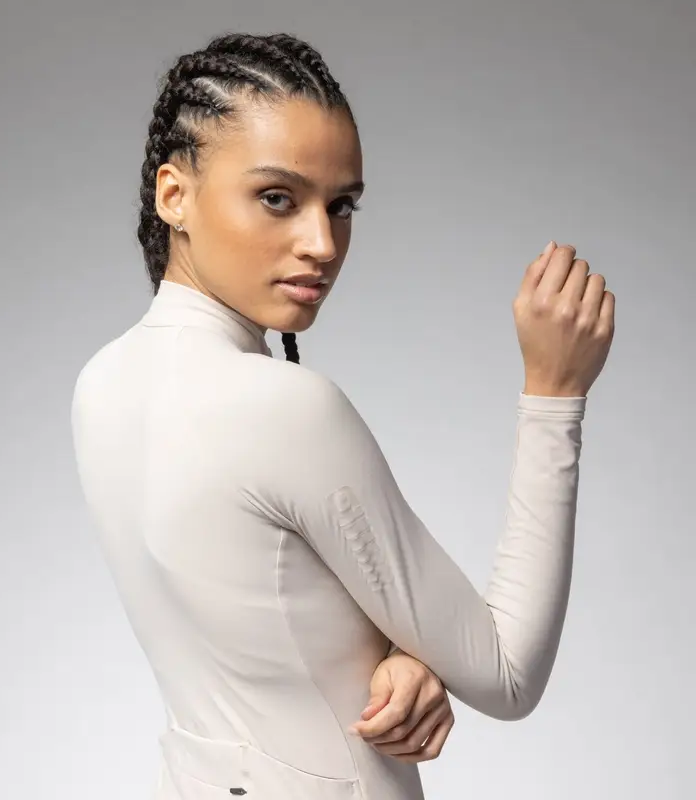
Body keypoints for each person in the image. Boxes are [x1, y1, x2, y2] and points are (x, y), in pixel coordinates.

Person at [70, 31, 615, 800]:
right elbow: (506, 674)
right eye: (277, 198)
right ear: (174, 195)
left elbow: (267, 619)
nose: (322, 243)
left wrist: (407, 654)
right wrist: (556, 391)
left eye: (342, 205)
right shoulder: (284, 407)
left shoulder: (100, 383)